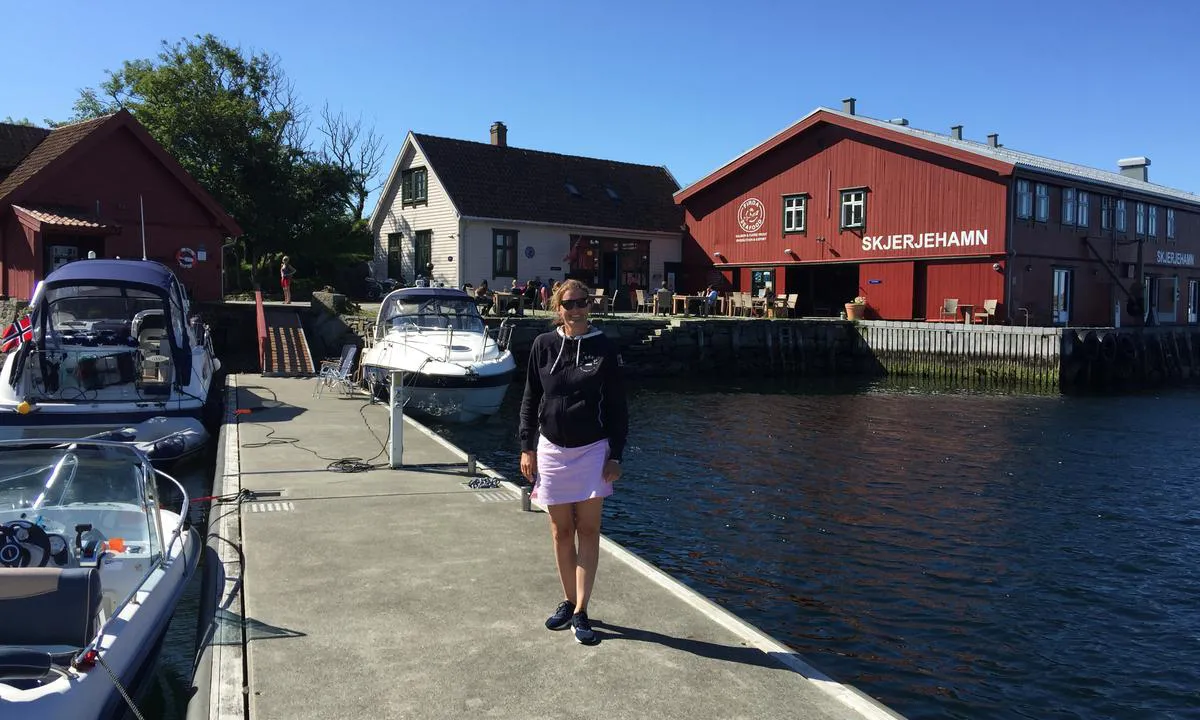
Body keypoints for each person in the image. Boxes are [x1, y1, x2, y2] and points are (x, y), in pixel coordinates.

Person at [519, 279, 627, 646]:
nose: (576, 309)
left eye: (582, 303)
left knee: (588, 530)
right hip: (550, 450)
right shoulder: (543, 346)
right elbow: (531, 399)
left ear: (589, 306)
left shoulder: (604, 348)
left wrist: (616, 455)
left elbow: (617, 407)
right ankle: (567, 601)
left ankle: (582, 610)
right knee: (560, 531)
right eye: (569, 304)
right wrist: (526, 447)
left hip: (592, 450)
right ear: (557, 308)